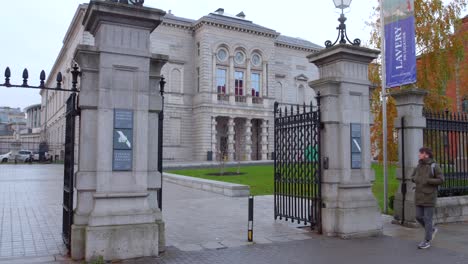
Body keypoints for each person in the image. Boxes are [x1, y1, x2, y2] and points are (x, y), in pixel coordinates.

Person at [412, 147, 444, 249]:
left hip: (429, 196)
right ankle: (432, 230)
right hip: (419, 195)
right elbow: (412, 176)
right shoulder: (419, 165)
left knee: (428, 219)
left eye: (420, 153)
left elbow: (441, 179)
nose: (419, 155)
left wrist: (428, 180)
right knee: (418, 216)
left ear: (426, 154)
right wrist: (415, 179)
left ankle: (427, 241)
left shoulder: (434, 166)